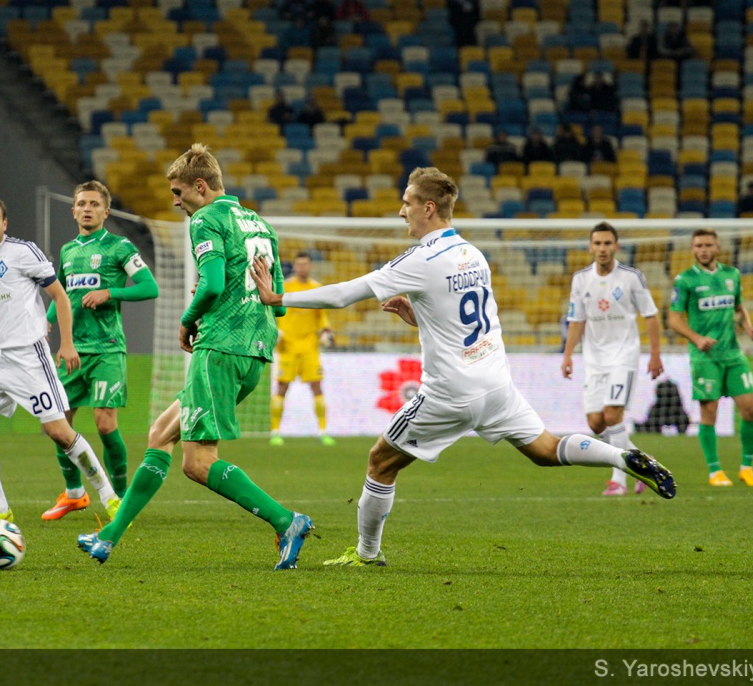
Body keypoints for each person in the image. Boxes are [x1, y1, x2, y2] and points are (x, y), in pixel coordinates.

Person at [250, 167, 676, 567]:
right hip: (496, 384)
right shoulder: (473, 254)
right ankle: (623, 456)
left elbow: (345, 294)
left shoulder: (420, 259)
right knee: (547, 450)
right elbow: (465, 319)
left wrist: (277, 298)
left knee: (380, 461)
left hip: (450, 392)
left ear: (427, 208)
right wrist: (418, 318)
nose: (401, 211)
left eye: (407, 203)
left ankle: (367, 553)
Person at [76, 144, 314, 570]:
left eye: (178, 192)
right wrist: (228, 295)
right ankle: (108, 537)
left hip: (219, 348)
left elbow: (213, 285)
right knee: (160, 433)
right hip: (256, 350)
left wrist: (187, 321)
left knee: (198, 463)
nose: (175, 201)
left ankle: (286, 520)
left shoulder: (206, 219)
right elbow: (277, 304)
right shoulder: (260, 224)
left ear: (200, 186)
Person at [0, 195, 119, 528]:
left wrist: (67, 343)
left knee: (59, 432)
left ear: (5, 223)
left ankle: (111, 499)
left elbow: (60, 296)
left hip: (28, 357)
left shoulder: (24, 252)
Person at [40, 181, 160, 521]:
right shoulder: (67, 251)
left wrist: (111, 293)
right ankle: (73, 493)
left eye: (94, 204)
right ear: (73, 210)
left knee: (105, 425)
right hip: (72, 350)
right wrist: (45, 322)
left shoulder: (119, 247)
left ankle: (121, 500)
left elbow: (149, 287)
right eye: (82, 203)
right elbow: (62, 295)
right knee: (58, 425)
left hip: (107, 349)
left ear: (106, 211)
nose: (87, 209)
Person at [561, 222, 664, 496]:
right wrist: (568, 355)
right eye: (597, 243)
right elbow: (576, 320)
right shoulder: (580, 279)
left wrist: (655, 355)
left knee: (612, 415)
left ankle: (619, 480)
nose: (602, 248)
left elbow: (651, 316)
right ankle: (643, 460)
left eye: (607, 243)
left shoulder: (632, 277)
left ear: (616, 247)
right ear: (590, 247)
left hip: (623, 356)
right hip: (594, 360)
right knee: (596, 423)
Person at [667, 229, 753, 487]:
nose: (703, 250)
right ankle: (715, 471)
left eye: (708, 245)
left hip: (733, 354)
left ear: (717, 248)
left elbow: (739, 307)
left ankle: (747, 467)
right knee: (709, 412)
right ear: (692, 249)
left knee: (750, 409)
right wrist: (696, 338)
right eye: (698, 246)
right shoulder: (685, 280)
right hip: (704, 357)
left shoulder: (732, 274)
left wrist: (748, 327)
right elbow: (673, 319)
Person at [270, 251, 335, 447]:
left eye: (305, 264)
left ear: (310, 266)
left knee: (317, 386)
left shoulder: (317, 289)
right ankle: (275, 432)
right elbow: (273, 312)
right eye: (299, 264)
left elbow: (322, 317)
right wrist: (275, 330)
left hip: (310, 347)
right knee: (282, 387)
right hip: (287, 346)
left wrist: (326, 332)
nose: (302, 268)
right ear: (294, 266)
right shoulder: (285, 287)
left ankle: (323, 431)